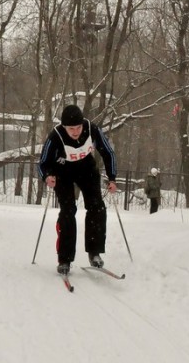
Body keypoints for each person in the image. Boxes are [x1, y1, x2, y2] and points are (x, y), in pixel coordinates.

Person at [38, 104, 117, 275]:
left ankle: (94, 252)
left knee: (97, 207)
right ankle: (64, 259)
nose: (75, 132)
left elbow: (108, 153)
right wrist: (47, 176)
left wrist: (112, 178)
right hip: (63, 172)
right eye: (71, 128)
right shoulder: (55, 136)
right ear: (64, 127)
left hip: (86, 169)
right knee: (68, 210)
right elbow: (43, 163)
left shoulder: (91, 129)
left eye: (78, 127)